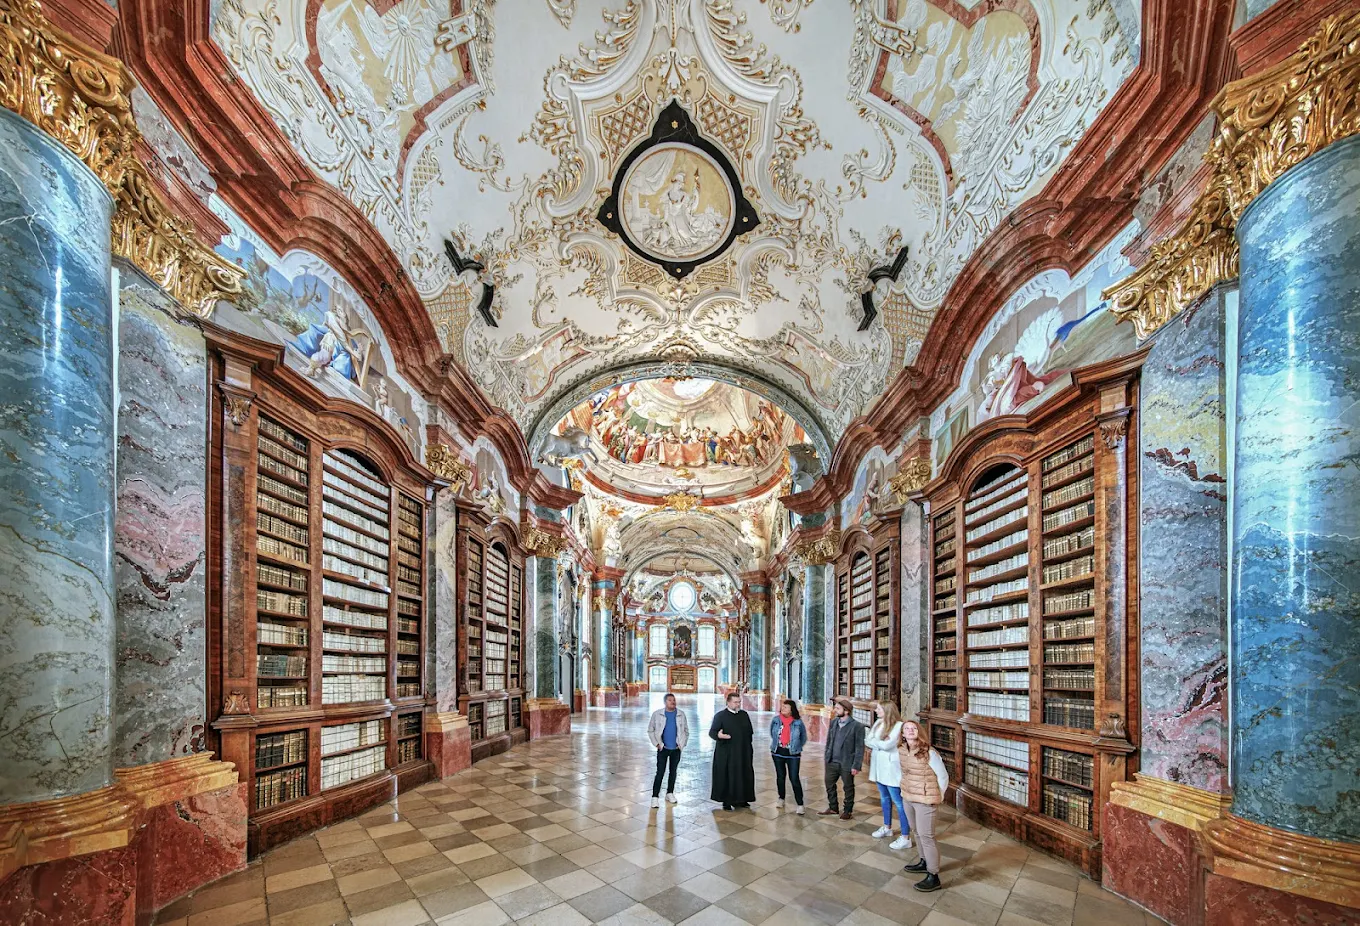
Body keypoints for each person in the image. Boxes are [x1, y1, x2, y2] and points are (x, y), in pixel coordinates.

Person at [899, 720, 950, 892]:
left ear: (919, 732)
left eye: (913, 728)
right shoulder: (902, 750)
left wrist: (938, 796)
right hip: (908, 797)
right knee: (916, 832)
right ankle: (924, 861)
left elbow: (943, 776)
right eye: (906, 728)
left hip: (926, 800)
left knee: (927, 837)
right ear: (902, 734)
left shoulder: (929, 753)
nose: (910, 730)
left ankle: (933, 876)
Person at [866, 701, 912, 849]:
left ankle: (905, 836)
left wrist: (876, 742)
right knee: (884, 799)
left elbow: (887, 745)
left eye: (879, 708)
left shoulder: (899, 726)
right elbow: (867, 740)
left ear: (887, 710)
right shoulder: (878, 723)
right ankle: (887, 827)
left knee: (898, 802)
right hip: (879, 767)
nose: (876, 711)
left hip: (891, 769)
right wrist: (879, 742)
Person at [817, 698, 865, 820]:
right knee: (829, 784)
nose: (835, 710)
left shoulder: (857, 726)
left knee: (848, 787)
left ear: (846, 711)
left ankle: (847, 810)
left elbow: (860, 748)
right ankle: (833, 807)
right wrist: (826, 756)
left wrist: (856, 765)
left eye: (838, 708)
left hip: (847, 762)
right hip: (831, 761)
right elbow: (829, 741)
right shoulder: (833, 722)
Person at [709, 692, 755, 810]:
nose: (738, 704)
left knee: (743, 774)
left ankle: (742, 799)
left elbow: (749, 732)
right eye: (735, 702)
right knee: (727, 776)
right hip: (727, 753)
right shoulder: (720, 716)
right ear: (728, 702)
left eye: (739, 702)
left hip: (743, 751)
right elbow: (712, 732)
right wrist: (720, 736)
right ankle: (727, 801)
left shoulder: (744, 715)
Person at [647, 693, 689, 808]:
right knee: (660, 772)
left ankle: (669, 793)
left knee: (673, 772)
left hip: (676, 749)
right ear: (665, 702)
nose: (673, 702)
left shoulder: (681, 714)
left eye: (674, 700)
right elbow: (650, 730)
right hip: (663, 748)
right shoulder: (657, 714)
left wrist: (682, 744)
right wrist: (657, 743)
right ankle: (655, 797)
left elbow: (686, 731)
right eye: (670, 700)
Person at [768, 698, 807, 814]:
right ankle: (781, 798)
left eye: (786, 707)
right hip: (778, 752)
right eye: (782, 706)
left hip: (793, 754)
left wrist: (795, 746)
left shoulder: (798, 722)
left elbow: (803, 738)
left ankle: (800, 804)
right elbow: (772, 733)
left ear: (792, 709)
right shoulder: (776, 720)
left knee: (794, 778)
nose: (783, 708)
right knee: (780, 777)